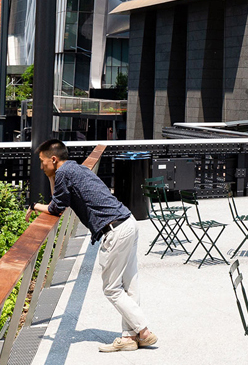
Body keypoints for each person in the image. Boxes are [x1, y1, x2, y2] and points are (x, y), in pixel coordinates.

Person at [32, 139, 157, 353]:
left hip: (114, 230)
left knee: (112, 289)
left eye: (43, 162)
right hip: (127, 221)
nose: (41, 166)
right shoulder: (76, 168)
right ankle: (128, 337)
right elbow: (59, 200)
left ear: (53, 159)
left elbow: (55, 208)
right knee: (129, 284)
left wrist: (33, 206)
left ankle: (143, 331)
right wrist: (51, 175)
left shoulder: (63, 174)